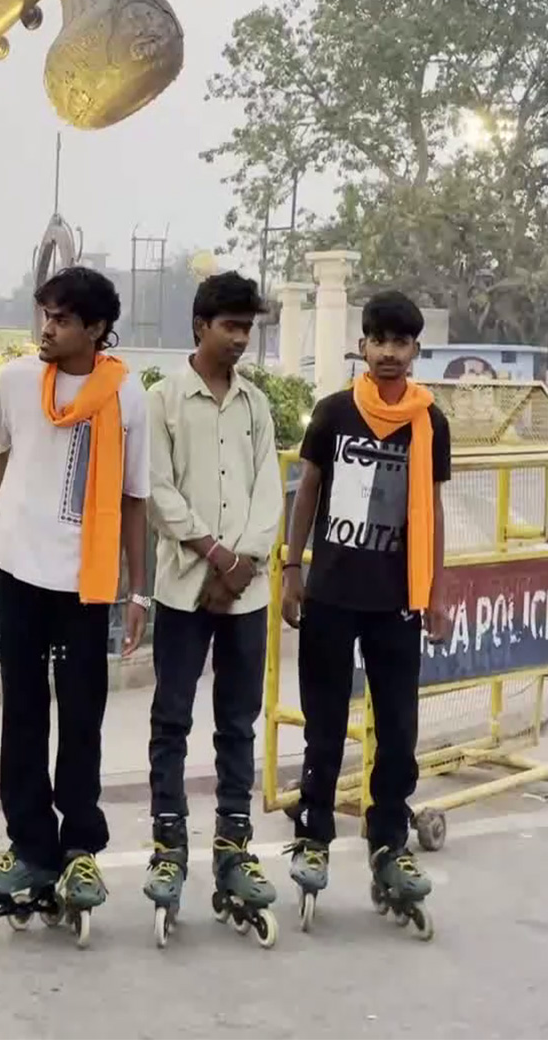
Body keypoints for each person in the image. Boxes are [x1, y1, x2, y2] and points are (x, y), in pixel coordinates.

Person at [0, 266, 150, 932]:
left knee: (80, 716)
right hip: (19, 568)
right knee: (22, 714)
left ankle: (79, 847)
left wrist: (138, 590)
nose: (48, 328)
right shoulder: (16, 381)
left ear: (96, 329)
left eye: (63, 319)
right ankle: (30, 847)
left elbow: (134, 498)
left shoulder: (126, 398)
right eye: (44, 314)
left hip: (86, 582)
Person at [281, 290, 451, 933]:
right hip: (329, 596)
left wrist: (436, 590)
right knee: (323, 730)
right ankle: (314, 837)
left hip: (395, 603)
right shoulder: (332, 414)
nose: (387, 353)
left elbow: (431, 511)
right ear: (362, 345)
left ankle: (387, 845)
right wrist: (292, 567)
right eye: (377, 340)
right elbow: (308, 495)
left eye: (400, 342)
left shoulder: (430, 422)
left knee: (399, 734)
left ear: (415, 350)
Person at [141, 272, 283, 945]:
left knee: (238, 722)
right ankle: (169, 846)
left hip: (244, 594)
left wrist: (243, 564)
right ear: (199, 326)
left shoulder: (256, 406)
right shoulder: (163, 401)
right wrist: (215, 556)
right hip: (183, 590)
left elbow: (269, 495)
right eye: (230, 326)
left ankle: (233, 847)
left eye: (247, 328)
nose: (240, 338)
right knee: (171, 717)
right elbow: (159, 493)